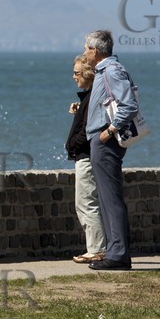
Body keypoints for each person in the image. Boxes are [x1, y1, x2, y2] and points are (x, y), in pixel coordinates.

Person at [82, 29, 137, 270]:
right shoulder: (105, 71)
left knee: (111, 197)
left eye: (86, 48)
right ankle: (116, 252)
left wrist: (108, 131)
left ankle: (118, 254)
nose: (84, 53)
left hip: (106, 142)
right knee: (106, 198)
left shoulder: (112, 70)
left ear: (95, 50)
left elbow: (129, 106)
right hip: (101, 141)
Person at [66, 54, 107, 263]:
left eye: (77, 73)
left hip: (86, 157)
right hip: (86, 156)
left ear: (88, 74)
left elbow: (89, 130)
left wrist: (73, 144)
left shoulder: (92, 98)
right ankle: (98, 248)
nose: (74, 77)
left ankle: (97, 250)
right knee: (88, 202)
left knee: (85, 203)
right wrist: (78, 109)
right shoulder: (90, 97)